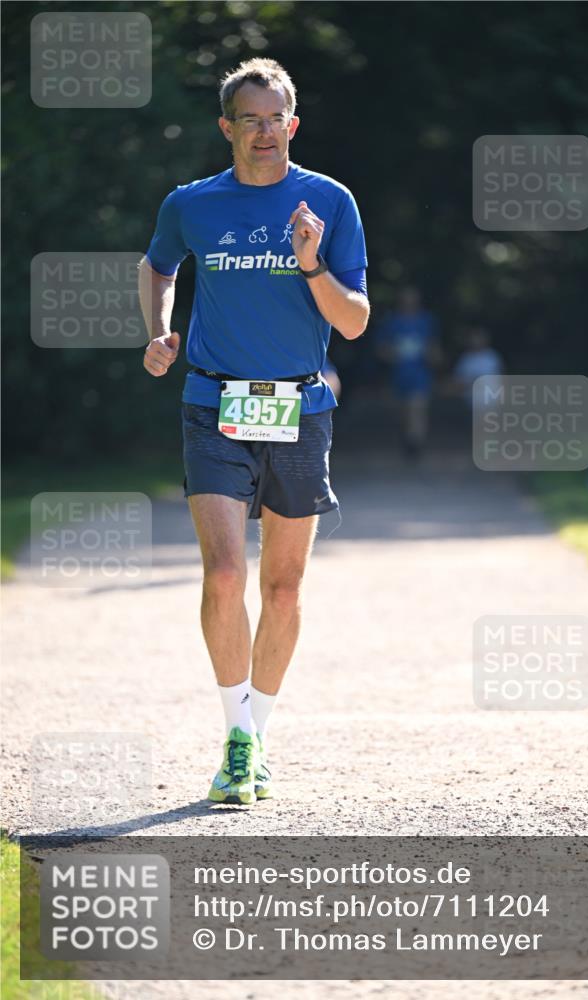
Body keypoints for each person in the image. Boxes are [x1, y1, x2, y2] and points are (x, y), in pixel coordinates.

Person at [138, 58, 369, 805]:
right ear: (227, 128)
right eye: (250, 119)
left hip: (299, 411)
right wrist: (159, 330)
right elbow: (157, 264)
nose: (264, 132)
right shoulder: (192, 203)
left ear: (292, 125)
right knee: (225, 574)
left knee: (283, 584)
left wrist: (309, 265)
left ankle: (259, 730)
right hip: (212, 404)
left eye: (276, 119)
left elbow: (355, 321)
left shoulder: (328, 202)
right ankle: (236, 736)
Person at [374, 286, 440, 459]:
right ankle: (408, 439)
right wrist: (392, 354)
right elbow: (381, 349)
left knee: (417, 408)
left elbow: (434, 347)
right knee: (404, 412)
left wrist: (432, 356)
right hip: (398, 374)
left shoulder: (426, 320)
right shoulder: (392, 321)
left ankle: (415, 445)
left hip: (420, 373)